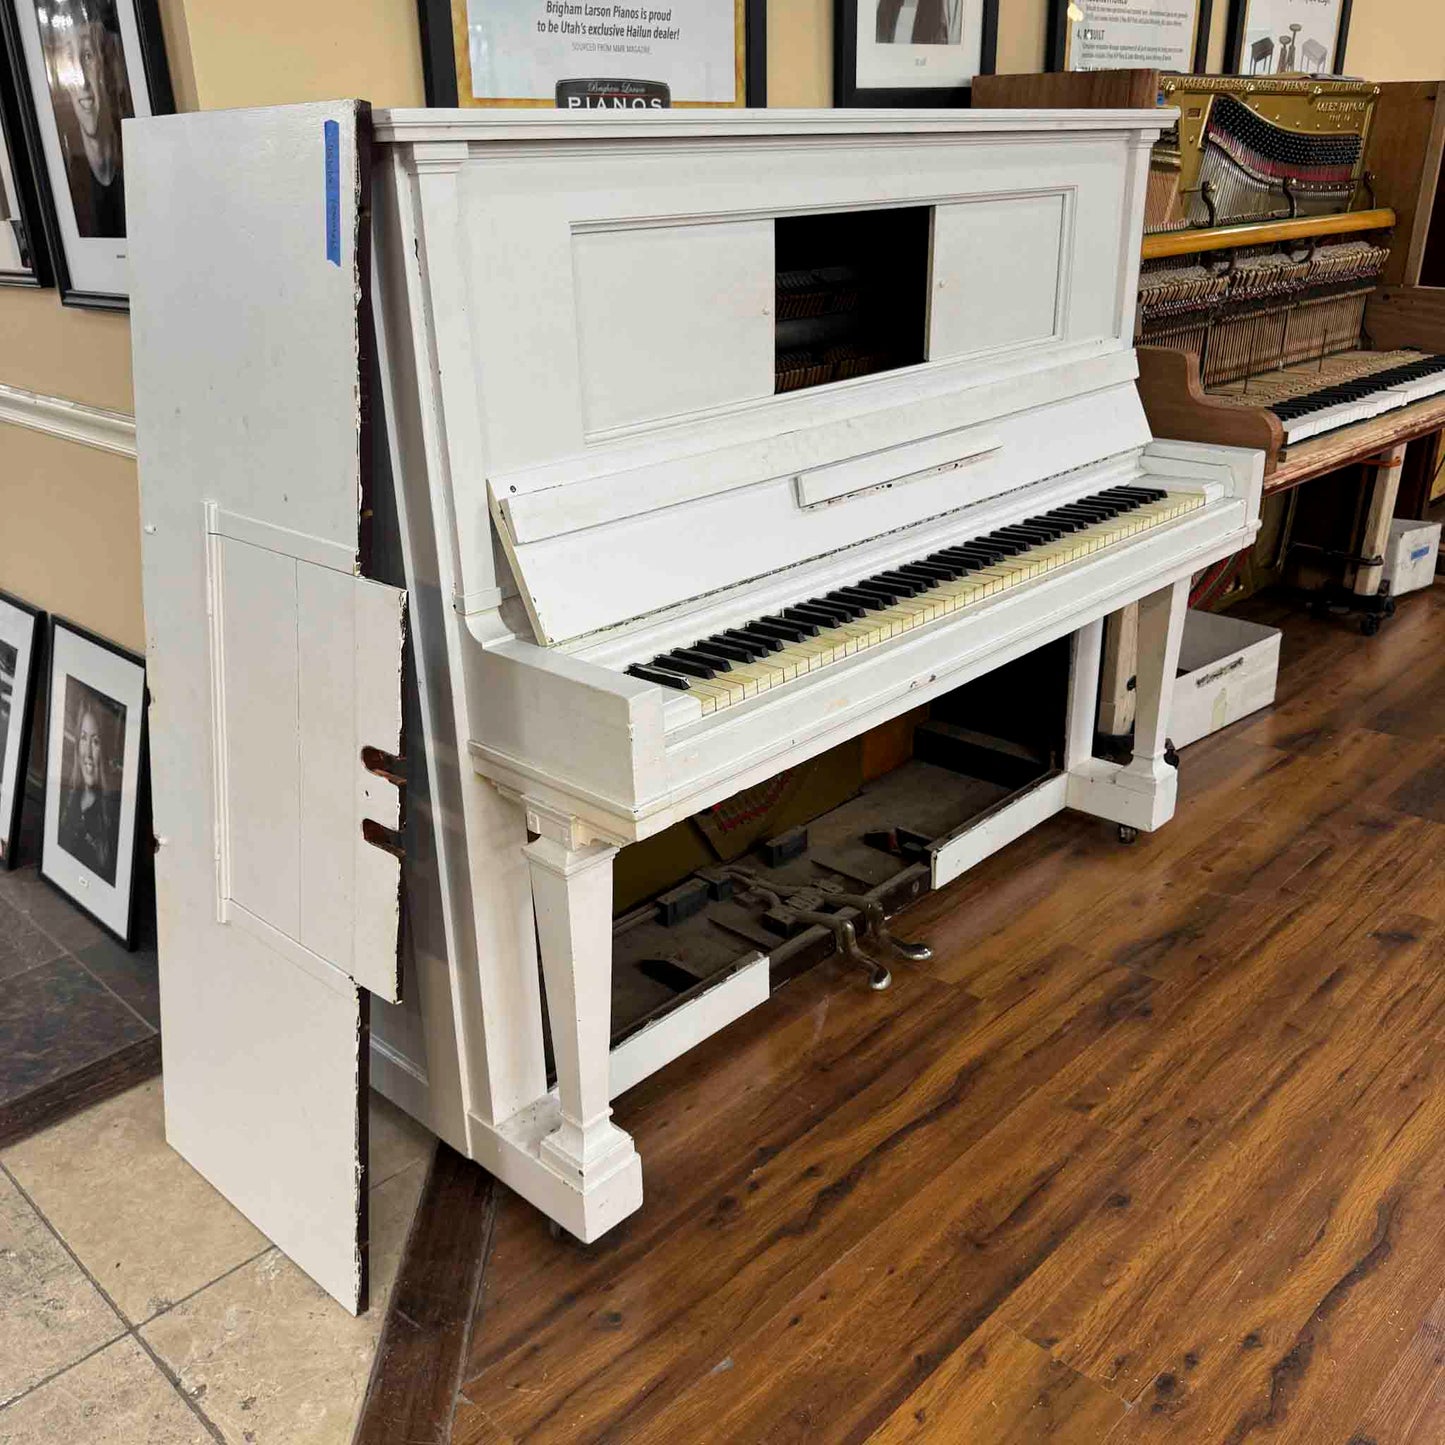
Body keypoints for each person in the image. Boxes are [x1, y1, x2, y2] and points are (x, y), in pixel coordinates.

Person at [40, 0, 132, 238]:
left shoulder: (137, 160)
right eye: (70, 58)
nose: (81, 79)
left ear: (110, 70)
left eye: (88, 56)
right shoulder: (63, 185)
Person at [57, 693, 119, 885]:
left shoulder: (113, 815)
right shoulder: (65, 796)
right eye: (83, 739)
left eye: (96, 741)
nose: (89, 754)